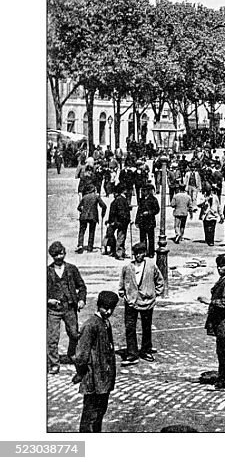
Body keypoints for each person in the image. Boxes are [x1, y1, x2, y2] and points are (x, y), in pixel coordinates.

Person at [72, 290, 119, 432]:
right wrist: (81, 374)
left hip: (104, 379)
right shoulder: (90, 325)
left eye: (112, 308)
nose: (109, 311)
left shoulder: (106, 323)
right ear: (98, 306)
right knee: (90, 416)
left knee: (100, 413)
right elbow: (81, 355)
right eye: (105, 308)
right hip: (93, 379)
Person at [118, 241, 165, 365]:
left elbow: (159, 280)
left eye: (141, 253)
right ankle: (132, 353)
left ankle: (146, 350)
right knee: (130, 327)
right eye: (136, 253)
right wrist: (122, 291)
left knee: (146, 326)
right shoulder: (127, 267)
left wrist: (155, 293)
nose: (139, 255)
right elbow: (123, 281)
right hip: (131, 301)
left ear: (144, 253)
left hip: (147, 301)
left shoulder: (151, 266)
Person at [199, 254, 225, 390]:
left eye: (222, 266)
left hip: (224, 323)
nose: (219, 268)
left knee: (223, 351)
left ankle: (224, 380)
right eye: (218, 266)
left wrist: (209, 301)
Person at [47, 241, 87, 374]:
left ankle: (71, 353)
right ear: (52, 256)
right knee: (53, 338)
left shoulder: (71, 269)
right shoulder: (47, 271)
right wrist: (48, 300)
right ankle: (54, 363)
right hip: (54, 310)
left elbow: (81, 286)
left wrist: (81, 300)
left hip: (70, 307)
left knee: (74, 334)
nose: (60, 257)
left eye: (62, 254)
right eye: (56, 255)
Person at [76, 174, 107, 253]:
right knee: (91, 231)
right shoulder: (96, 197)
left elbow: (79, 207)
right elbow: (104, 206)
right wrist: (103, 213)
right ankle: (90, 247)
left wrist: (83, 211)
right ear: (93, 190)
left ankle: (80, 245)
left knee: (82, 231)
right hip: (93, 216)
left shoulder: (84, 197)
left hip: (83, 216)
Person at [106, 184, 132, 260]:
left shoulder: (116, 200)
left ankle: (119, 252)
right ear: (124, 191)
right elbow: (121, 212)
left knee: (121, 238)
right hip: (121, 222)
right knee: (121, 238)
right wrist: (126, 219)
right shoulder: (122, 200)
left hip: (117, 221)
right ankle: (119, 253)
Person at [135, 183, 160, 258]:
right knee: (142, 238)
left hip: (150, 221)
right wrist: (136, 221)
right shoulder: (142, 200)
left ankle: (151, 252)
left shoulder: (153, 199)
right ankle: (144, 251)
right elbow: (138, 210)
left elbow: (157, 210)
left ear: (148, 191)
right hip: (142, 222)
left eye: (144, 191)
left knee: (151, 238)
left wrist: (149, 213)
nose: (143, 192)